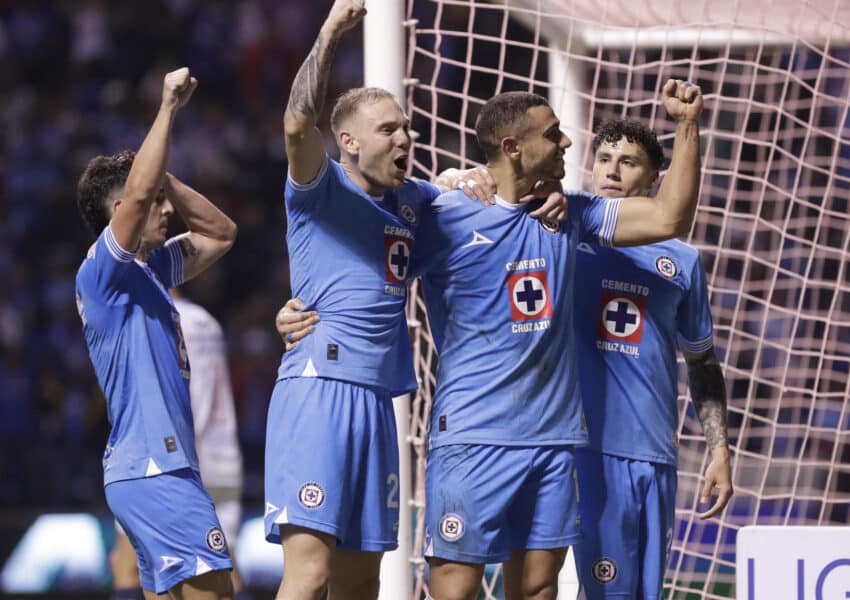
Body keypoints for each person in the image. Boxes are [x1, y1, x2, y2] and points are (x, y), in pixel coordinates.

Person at [276, 89, 708, 600]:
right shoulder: (442, 214)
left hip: (552, 438)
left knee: (538, 588)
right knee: (454, 590)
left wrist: (686, 127)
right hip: (471, 435)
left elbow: (668, 220)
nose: (567, 141)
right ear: (513, 147)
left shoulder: (571, 213)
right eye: (552, 134)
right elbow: (369, 265)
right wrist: (299, 313)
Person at [265, 1, 563, 598]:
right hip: (319, 388)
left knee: (362, 584)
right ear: (347, 141)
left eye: (407, 128)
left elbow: (475, 199)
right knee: (310, 575)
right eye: (389, 130)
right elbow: (298, 125)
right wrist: (329, 31)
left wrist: (527, 192)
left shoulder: (415, 203)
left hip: (381, 404)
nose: (407, 136)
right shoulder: (319, 190)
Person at [75, 67, 237, 599]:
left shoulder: (153, 269)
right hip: (155, 470)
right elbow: (140, 197)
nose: (167, 210)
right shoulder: (103, 273)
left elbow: (220, 232)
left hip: (156, 471)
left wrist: (164, 175)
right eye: (154, 201)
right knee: (217, 591)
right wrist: (166, 110)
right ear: (120, 211)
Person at [572, 118, 733, 599]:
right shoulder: (567, 233)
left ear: (655, 178)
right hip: (585, 449)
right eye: (603, 159)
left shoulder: (681, 261)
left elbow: (702, 363)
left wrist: (720, 450)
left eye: (628, 162)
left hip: (656, 454)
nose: (612, 171)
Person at [108, 288, 249, 600]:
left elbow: (181, 398)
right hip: (222, 456)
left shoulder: (154, 318)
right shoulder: (208, 322)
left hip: (175, 460)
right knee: (226, 571)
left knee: (127, 565)